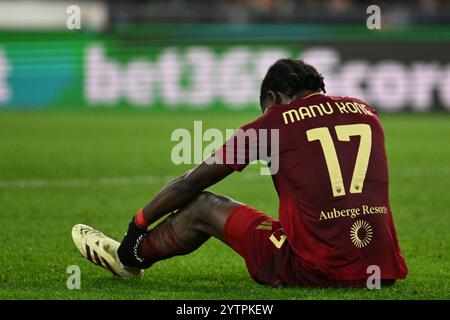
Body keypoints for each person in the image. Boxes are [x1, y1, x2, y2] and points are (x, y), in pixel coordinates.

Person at [72, 59, 408, 287]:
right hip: (381, 268)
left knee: (204, 204)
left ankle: (128, 260)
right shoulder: (366, 112)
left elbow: (191, 183)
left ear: (274, 99)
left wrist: (138, 225)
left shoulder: (275, 122)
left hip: (318, 269)